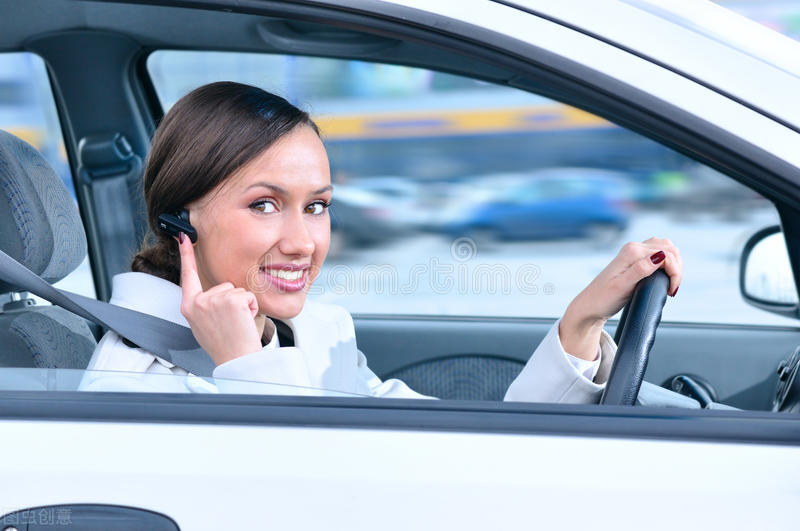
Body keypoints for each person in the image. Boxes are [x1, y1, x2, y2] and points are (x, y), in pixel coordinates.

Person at [82, 81, 682, 402]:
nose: (302, 242)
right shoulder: (131, 384)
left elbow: (443, 455)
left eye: (317, 206)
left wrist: (580, 321)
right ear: (179, 220)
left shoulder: (318, 330)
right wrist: (247, 369)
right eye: (265, 205)